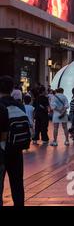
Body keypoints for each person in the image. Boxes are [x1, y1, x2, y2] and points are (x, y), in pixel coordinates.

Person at [0, 76, 27, 206]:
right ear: (12, 89)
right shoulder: (20, 105)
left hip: (2, 151)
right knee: (17, 184)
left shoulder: (0, 105)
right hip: (17, 149)